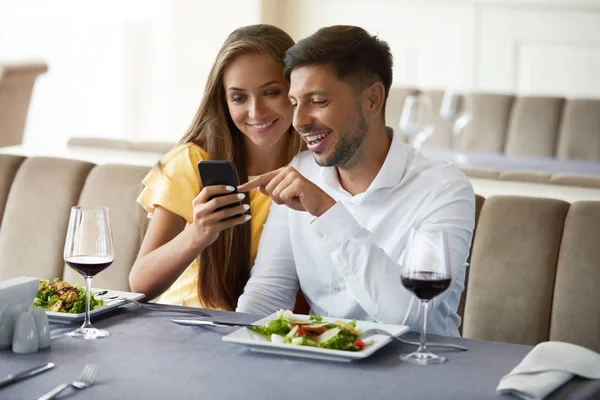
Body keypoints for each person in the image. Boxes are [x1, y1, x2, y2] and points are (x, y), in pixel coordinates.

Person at [236, 25, 475, 336]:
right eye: (295, 103)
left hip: (416, 371)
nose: (299, 121)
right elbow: (268, 292)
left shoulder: (442, 189)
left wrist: (327, 211)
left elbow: (414, 316)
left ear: (373, 100)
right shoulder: (301, 171)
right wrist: (236, 341)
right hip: (326, 368)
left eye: (318, 101)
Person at [129, 25, 304, 310]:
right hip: (188, 324)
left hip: (272, 334)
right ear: (223, 100)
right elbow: (140, 285)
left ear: (295, 90)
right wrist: (196, 233)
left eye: (271, 92)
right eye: (238, 97)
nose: (256, 111)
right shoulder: (190, 161)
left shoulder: (314, 166)